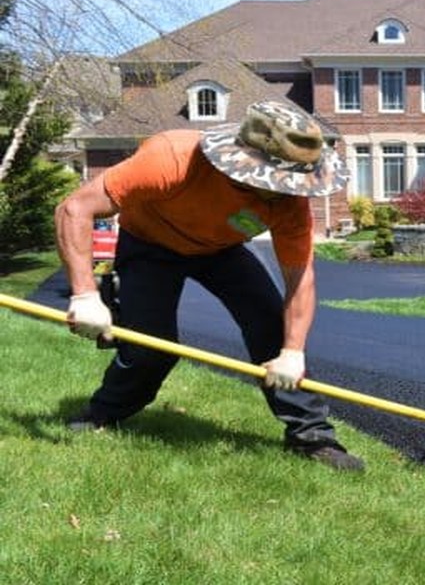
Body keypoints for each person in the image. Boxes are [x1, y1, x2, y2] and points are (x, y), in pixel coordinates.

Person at [54, 100, 364, 471]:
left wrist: (293, 352)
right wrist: (85, 294)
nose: (287, 192)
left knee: (272, 328)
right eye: (280, 183)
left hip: (220, 249)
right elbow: (74, 209)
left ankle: (312, 438)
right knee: (153, 347)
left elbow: (300, 278)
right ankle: (102, 413)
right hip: (149, 245)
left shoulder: (288, 204)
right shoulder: (172, 158)